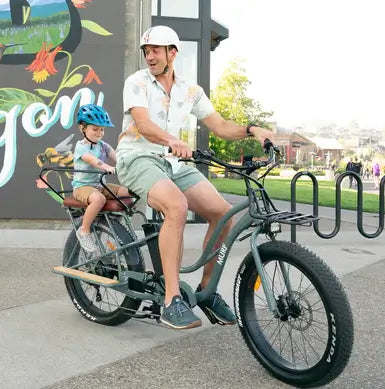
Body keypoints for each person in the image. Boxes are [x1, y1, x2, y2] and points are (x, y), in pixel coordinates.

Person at [116, 25, 274, 330]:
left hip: (172, 163)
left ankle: (206, 291)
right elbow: (144, 125)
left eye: (156, 51)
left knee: (223, 213)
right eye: (146, 51)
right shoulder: (136, 83)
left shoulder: (190, 90)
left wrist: (253, 129)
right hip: (136, 157)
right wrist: (172, 141)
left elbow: (221, 126)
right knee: (176, 206)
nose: (149, 56)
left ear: (173, 53)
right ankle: (171, 300)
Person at [72, 104, 130, 253]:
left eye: (102, 129)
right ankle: (84, 231)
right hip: (82, 187)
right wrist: (106, 167)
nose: (99, 133)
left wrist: (128, 164)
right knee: (99, 199)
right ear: (82, 128)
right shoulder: (81, 147)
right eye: (95, 129)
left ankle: (115, 225)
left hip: (100, 185)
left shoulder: (104, 146)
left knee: (127, 191)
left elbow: (118, 157)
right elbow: (92, 160)